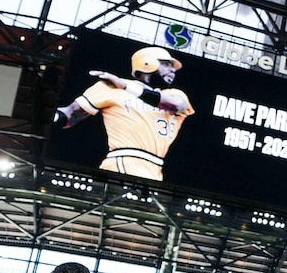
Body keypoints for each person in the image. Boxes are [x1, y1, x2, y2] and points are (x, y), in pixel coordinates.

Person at [54, 46, 194, 181]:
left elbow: (176, 105)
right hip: (122, 161)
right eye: (166, 64)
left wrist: (126, 86)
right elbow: (70, 115)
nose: (173, 70)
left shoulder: (174, 94)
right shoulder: (112, 87)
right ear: (147, 63)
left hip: (155, 169)